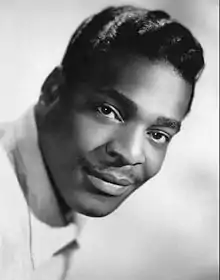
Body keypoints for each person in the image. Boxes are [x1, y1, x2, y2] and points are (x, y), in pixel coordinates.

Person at [0, 4, 205, 279]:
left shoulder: (63, 184)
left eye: (158, 135)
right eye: (107, 111)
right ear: (53, 89)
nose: (130, 153)